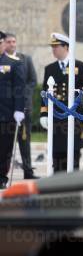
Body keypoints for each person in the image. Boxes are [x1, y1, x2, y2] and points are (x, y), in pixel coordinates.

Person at [40, 33, 83, 172]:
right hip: (57, 117)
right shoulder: (50, 68)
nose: (53, 50)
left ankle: (73, 184)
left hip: (74, 116)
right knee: (57, 153)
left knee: (74, 152)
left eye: (56, 46)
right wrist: (44, 113)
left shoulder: (79, 66)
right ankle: (58, 183)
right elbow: (45, 93)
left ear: (65, 47)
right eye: (52, 47)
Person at [4, 32, 38, 179]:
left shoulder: (26, 59)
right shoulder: (2, 60)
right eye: (9, 42)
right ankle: (3, 174)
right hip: (6, 109)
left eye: (14, 41)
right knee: (5, 143)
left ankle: (28, 171)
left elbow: (32, 80)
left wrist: (22, 95)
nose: (12, 44)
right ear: (4, 43)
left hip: (24, 107)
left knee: (24, 141)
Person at [0, 31, 25, 188]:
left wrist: (19, 109)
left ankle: (1, 176)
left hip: (6, 114)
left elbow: (19, 88)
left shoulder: (14, 63)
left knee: (4, 148)